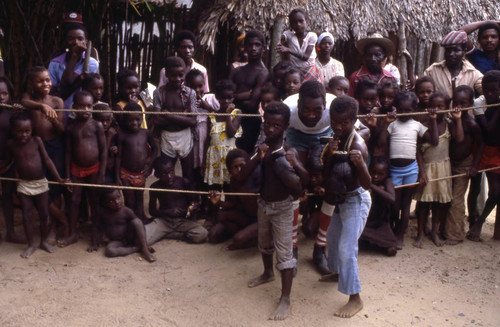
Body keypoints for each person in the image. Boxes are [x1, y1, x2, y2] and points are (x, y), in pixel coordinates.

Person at [241, 101, 305, 321]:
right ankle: (268, 273)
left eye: (276, 126)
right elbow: (240, 177)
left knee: (285, 255)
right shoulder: (263, 149)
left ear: (285, 126)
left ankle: (285, 298)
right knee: (264, 243)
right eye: (267, 124)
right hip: (263, 204)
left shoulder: (288, 152)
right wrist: (258, 157)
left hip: (283, 208)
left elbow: (298, 188)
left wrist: (289, 166)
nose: (270, 129)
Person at [320, 95, 371, 318]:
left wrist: (360, 165)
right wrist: (329, 155)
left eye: (344, 123)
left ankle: (355, 297)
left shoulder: (358, 145)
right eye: (335, 122)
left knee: (346, 248)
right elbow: (325, 172)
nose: (339, 127)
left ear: (354, 120)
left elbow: (368, 184)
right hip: (338, 199)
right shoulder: (334, 140)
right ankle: (338, 273)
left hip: (356, 200)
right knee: (331, 239)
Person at [1, 112, 68, 258]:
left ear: (32, 130)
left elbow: (48, 161)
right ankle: (31, 244)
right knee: (26, 215)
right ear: (12, 131)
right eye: (19, 131)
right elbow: (6, 162)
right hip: (24, 185)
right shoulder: (11, 144)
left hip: (41, 183)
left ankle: (43, 241)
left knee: (44, 214)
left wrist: (59, 178)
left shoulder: (37, 141)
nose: (24, 135)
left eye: (27, 131)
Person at [378, 91, 438, 248]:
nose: (404, 114)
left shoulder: (417, 125)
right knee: (394, 205)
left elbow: (434, 140)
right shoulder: (393, 124)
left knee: (405, 206)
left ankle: (400, 236)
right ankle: (393, 230)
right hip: (395, 170)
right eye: (401, 110)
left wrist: (433, 121)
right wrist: (385, 123)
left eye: (408, 110)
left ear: (415, 109)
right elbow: (382, 142)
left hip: (411, 170)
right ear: (396, 108)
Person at [413, 92, 463, 248]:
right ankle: (420, 233)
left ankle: (434, 231)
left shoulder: (449, 123)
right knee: (423, 203)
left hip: (443, 168)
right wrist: (421, 172)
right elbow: (422, 150)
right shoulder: (424, 125)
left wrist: (458, 119)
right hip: (427, 168)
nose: (435, 109)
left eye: (440, 107)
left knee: (438, 203)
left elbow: (459, 139)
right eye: (432, 106)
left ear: (447, 108)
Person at [66, 91, 107, 247]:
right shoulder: (71, 127)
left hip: (94, 168)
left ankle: (96, 235)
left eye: (89, 106)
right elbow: (68, 152)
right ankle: (73, 232)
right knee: (74, 201)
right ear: (74, 107)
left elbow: (103, 151)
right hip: (76, 169)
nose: (86, 109)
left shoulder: (96, 125)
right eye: (81, 106)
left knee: (94, 201)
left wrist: (102, 173)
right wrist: (68, 174)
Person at [21, 67, 66, 206]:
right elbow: (24, 102)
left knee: (55, 181)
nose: (45, 83)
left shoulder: (57, 101)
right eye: (40, 81)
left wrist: (54, 121)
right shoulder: (29, 99)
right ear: (31, 84)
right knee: (40, 180)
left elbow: (61, 130)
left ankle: (56, 217)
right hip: (36, 146)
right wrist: (41, 106)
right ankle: (49, 213)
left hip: (54, 145)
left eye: (47, 80)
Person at [445, 86, 483, 244]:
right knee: (447, 197)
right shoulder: (449, 120)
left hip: (464, 164)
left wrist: (475, 165)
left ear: (471, 103)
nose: (458, 106)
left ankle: (455, 234)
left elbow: (481, 144)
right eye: (456, 102)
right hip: (449, 163)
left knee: (456, 200)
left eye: (463, 103)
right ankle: (445, 229)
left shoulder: (471, 124)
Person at [153, 56, 197, 185]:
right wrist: (183, 117)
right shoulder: (159, 93)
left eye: (180, 75)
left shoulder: (190, 93)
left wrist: (167, 115)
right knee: (166, 174)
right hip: (167, 138)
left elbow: (193, 121)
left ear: (185, 73)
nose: (177, 79)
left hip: (185, 137)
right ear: (166, 74)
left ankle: (190, 203)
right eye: (173, 75)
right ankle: (169, 204)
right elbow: (156, 120)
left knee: (188, 175)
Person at [468, 70, 500, 241]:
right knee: (474, 188)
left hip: (497, 152)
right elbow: (487, 130)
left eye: (494, 90)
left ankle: (480, 221)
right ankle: (471, 222)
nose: (489, 94)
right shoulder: (479, 102)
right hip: (480, 147)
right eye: (486, 90)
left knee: (496, 191)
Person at [207, 149, 259, 250]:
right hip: (247, 218)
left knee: (238, 239)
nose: (239, 170)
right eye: (235, 167)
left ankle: (252, 239)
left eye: (242, 166)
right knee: (221, 216)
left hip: (263, 220)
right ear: (229, 170)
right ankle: (248, 236)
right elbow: (233, 204)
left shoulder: (256, 176)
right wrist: (218, 202)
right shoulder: (233, 182)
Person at [148, 157, 208, 244]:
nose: (169, 176)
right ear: (157, 174)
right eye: (164, 174)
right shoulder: (154, 187)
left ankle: (175, 235)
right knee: (145, 238)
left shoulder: (184, 182)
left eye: (171, 172)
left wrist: (191, 208)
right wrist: (168, 212)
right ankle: (169, 233)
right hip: (164, 221)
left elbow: (194, 202)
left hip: (183, 221)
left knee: (202, 234)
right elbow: (152, 211)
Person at [116, 102, 158, 222]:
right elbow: (118, 157)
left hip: (141, 173)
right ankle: (131, 221)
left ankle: (142, 218)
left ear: (142, 118)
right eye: (130, 120)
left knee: (139, 198)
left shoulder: (146, 133)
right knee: (129, 200)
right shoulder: (122, 135)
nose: (134, 123)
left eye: (137, 119)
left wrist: (150, 166)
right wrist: (118, 176)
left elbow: (155, 149)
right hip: (125, 173)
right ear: (124, 119)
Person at [230, 30, 269, 153]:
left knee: (244, 156)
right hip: (231, 118)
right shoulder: (237, 71)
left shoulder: (263, 73)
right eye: (250, 45)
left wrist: (234, 97)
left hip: (249, 121)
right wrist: (242, 95)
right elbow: (224, 96)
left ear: (263, 47)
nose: (253, 48)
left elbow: (251, 104)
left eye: (257, 45)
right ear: (245, 47)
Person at [48, 22, 99, 109]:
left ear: (85, 42)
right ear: (65, 41)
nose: (76, 42)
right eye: (71, 38)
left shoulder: (91, 63)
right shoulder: (55, 63)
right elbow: (54, 93)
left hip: (83, 113)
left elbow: (94, 93)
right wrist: (74, 55)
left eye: (80, 39)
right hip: (60, 111)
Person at [97, 188, 156, 263]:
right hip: (117, 241)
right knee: (110, 251)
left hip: (129, 237)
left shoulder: (126, 211)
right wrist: (95, 242)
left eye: (118, 197)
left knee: (137, 221)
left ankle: (145, 249)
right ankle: (137, 248)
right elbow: (97, 227)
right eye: (112, 201)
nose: (117, 202)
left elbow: (138, 225)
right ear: (105, 203)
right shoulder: (103, 213)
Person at [0, 77, 25, 243]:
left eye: (4, 93)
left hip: (7, 162)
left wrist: (19, 112)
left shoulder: (12, 115)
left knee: (8, 197)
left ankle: (10, 232)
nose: (1, 97)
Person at [204, 80, 242, 188]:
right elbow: (207, 139)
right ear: (217, 97)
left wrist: (227, 114)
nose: (226, 101)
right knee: (214, 188)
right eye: (222, 98)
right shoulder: (211, 116)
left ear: (233, 97)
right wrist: (203, 161)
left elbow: (231, 133)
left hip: (230, 157)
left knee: (229, 187)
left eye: (229, 98)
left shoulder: (237, 113)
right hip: (214, 157)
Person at [424, 30, 483, 98]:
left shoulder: (473, 73)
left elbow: (488, 90)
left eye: (456, 50)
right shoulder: (432, 70)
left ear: (464, 52)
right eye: (448, 50)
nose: (451, 54)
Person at [360, 156, 397, 256]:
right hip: (365, 221)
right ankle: (366, 240)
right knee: (355, 231)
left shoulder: (387, 181)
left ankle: (369, 241)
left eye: (380, 174)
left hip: (380, 223)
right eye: (373, 172)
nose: (376, 176)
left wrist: (373, 187)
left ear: (386, 173)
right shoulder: (365, 178)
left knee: (391, 249)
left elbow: (392, 198)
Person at [348, 33, 396, 97]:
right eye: (369, 55)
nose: (373, 59)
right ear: (364, 56)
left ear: (384, 57)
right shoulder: (355, 78)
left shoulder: (389, 77)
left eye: (378, 55)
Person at [277, 8, 317, 73]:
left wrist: (288, 50)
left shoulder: (312, 36)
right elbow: (278, 37)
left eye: (301, 21)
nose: (298, 24)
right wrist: (279, 19)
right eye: (294, 22)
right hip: (294, 70)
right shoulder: (288, 35)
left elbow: (305, 57)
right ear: (291, 24)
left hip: (310, 70)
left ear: (306, 22)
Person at [92, 103, 118, 183]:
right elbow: (102, 153)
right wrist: (108, 138)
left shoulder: (113, 132)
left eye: (107, 120)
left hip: (110, 171)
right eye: (101, 121)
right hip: (96, 171)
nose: (105, 124)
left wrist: (115, 149)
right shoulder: (92, 134)